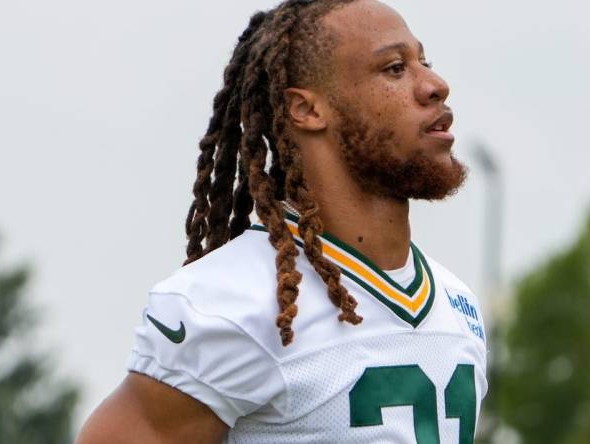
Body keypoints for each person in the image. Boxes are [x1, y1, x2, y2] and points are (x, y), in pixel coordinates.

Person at [76, 0, 487, 442]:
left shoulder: (456, 302)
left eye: (424, 62)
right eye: (393, 68)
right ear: (307, 110)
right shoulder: (231, 305)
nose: (435, 85)